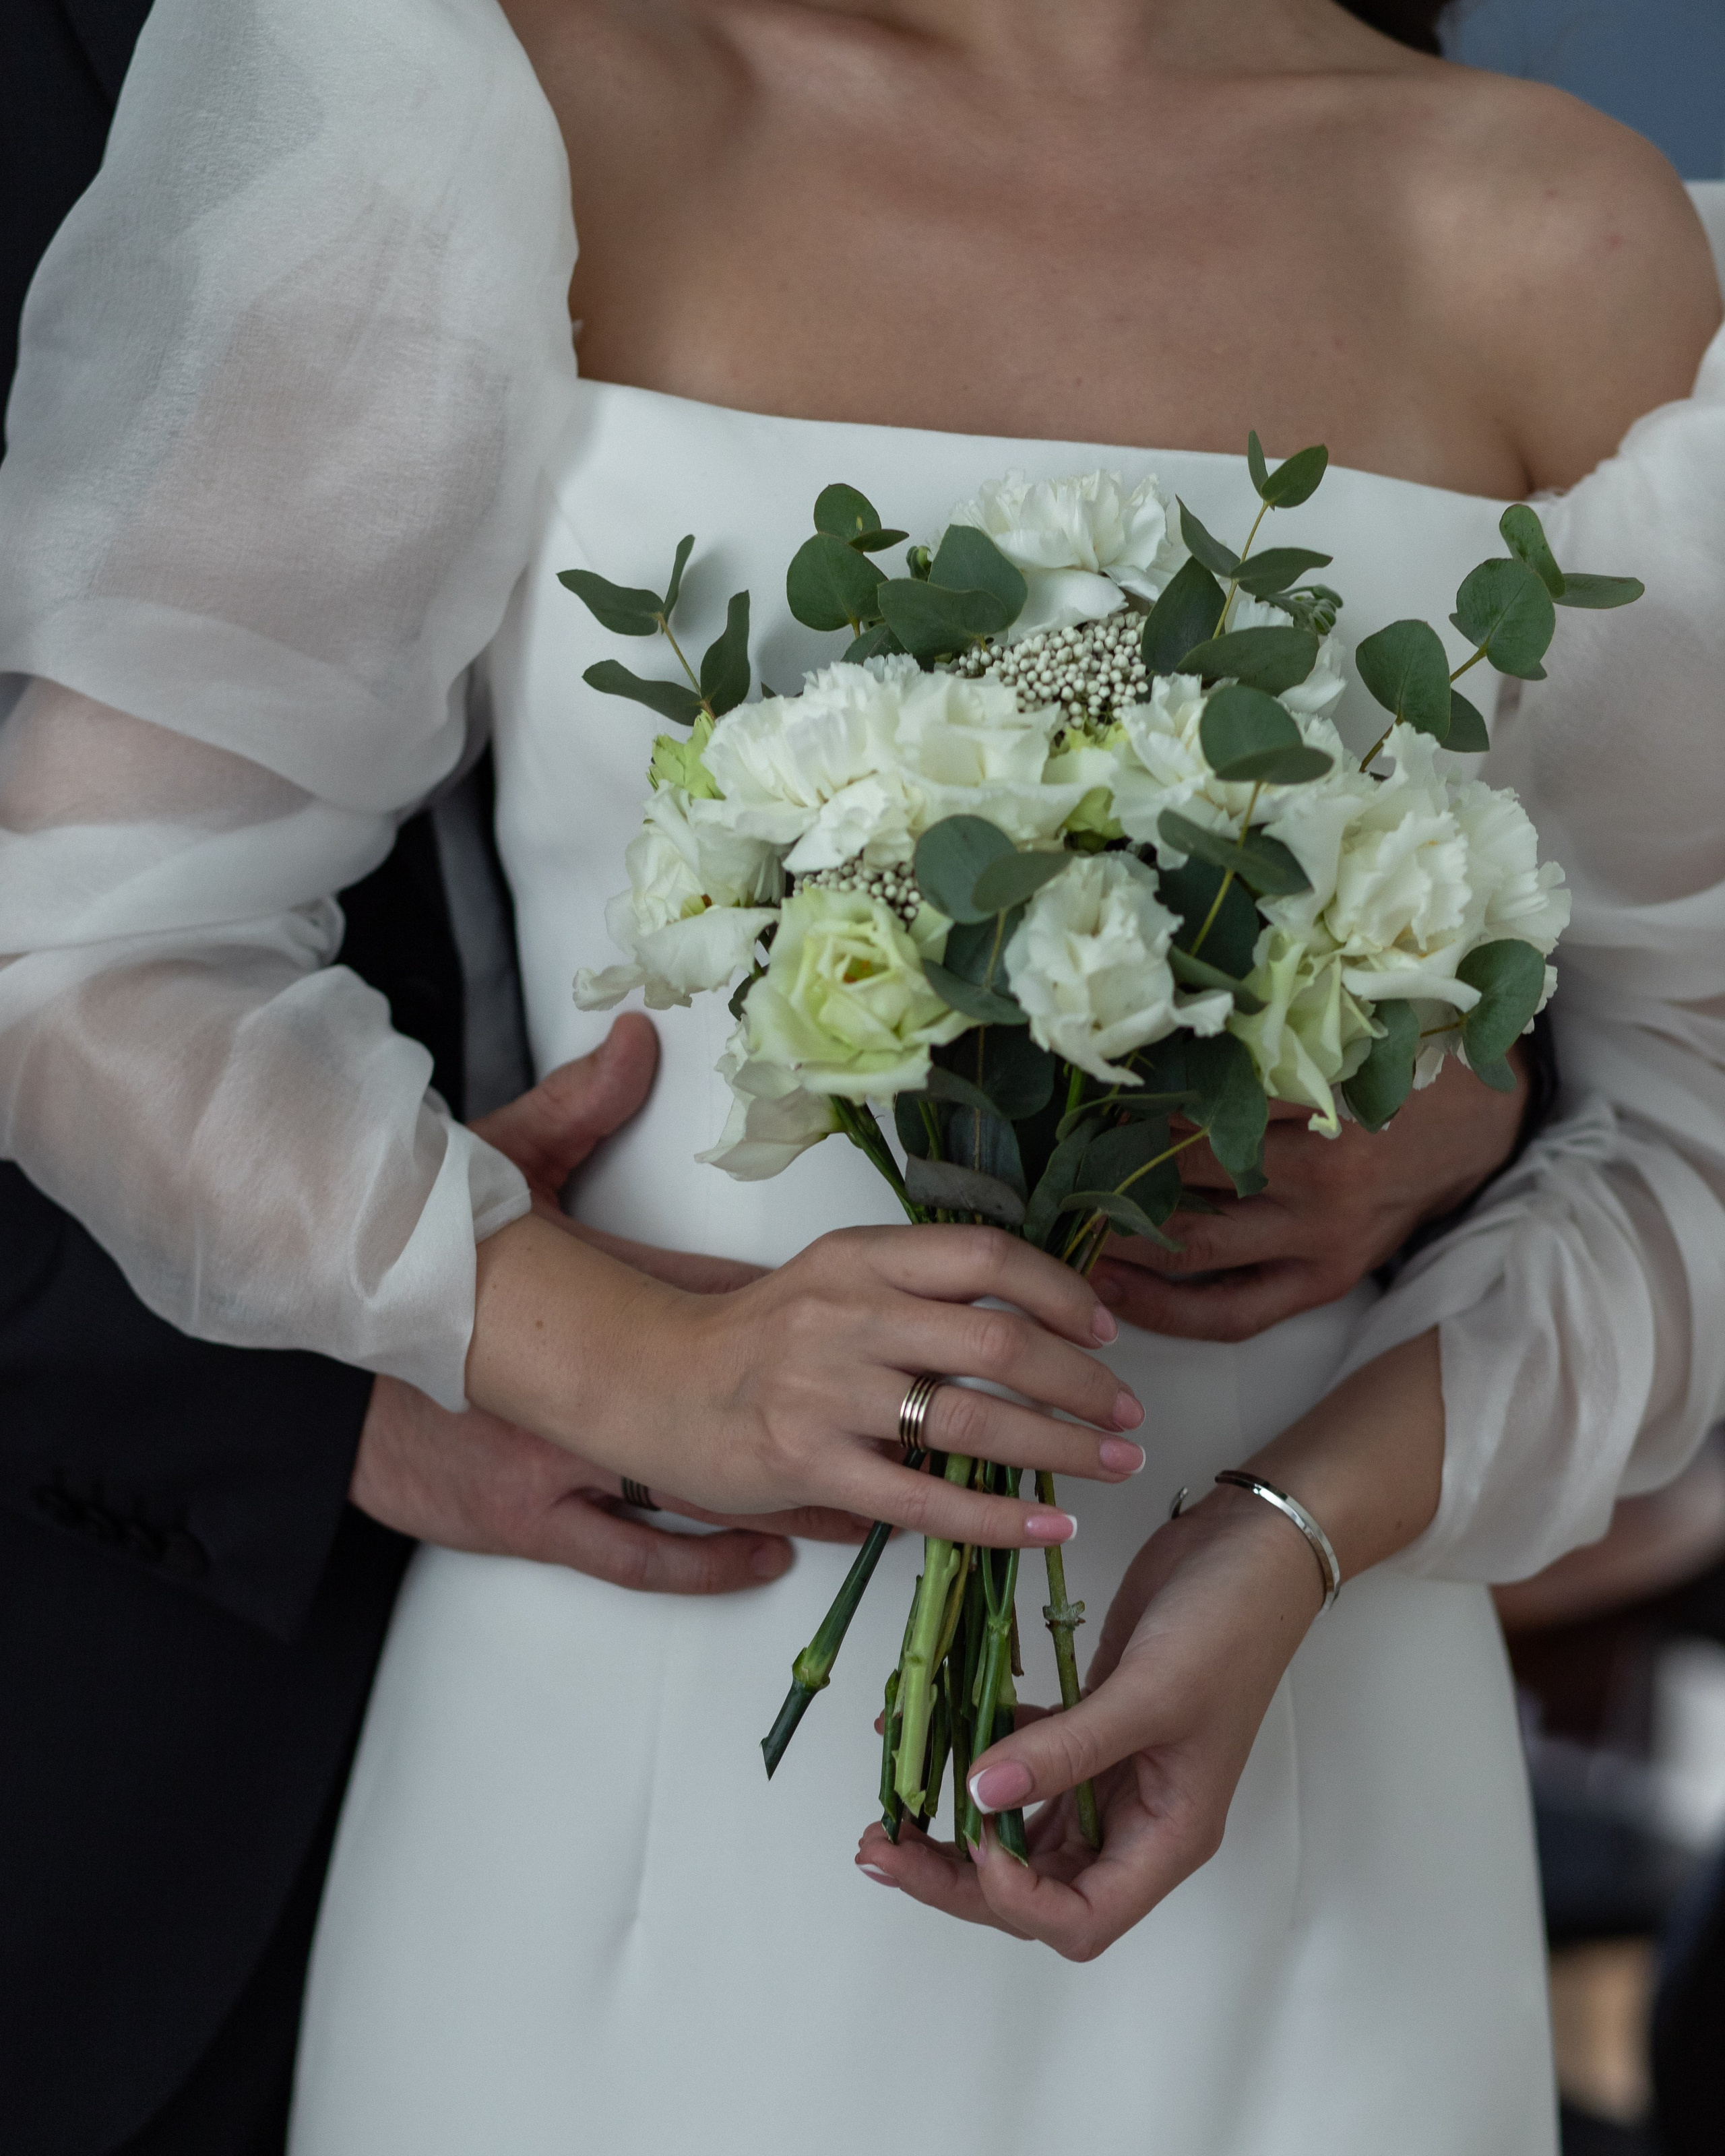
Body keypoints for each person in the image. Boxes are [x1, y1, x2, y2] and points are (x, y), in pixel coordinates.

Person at [1, 4, 1720, 2155]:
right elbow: (95, 942)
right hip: (623, 1742)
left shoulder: (1557, 228)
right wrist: (615, 1355)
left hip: (1319, 1765)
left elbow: (1698, 1112)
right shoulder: (492, 87)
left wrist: (1303, 1528)